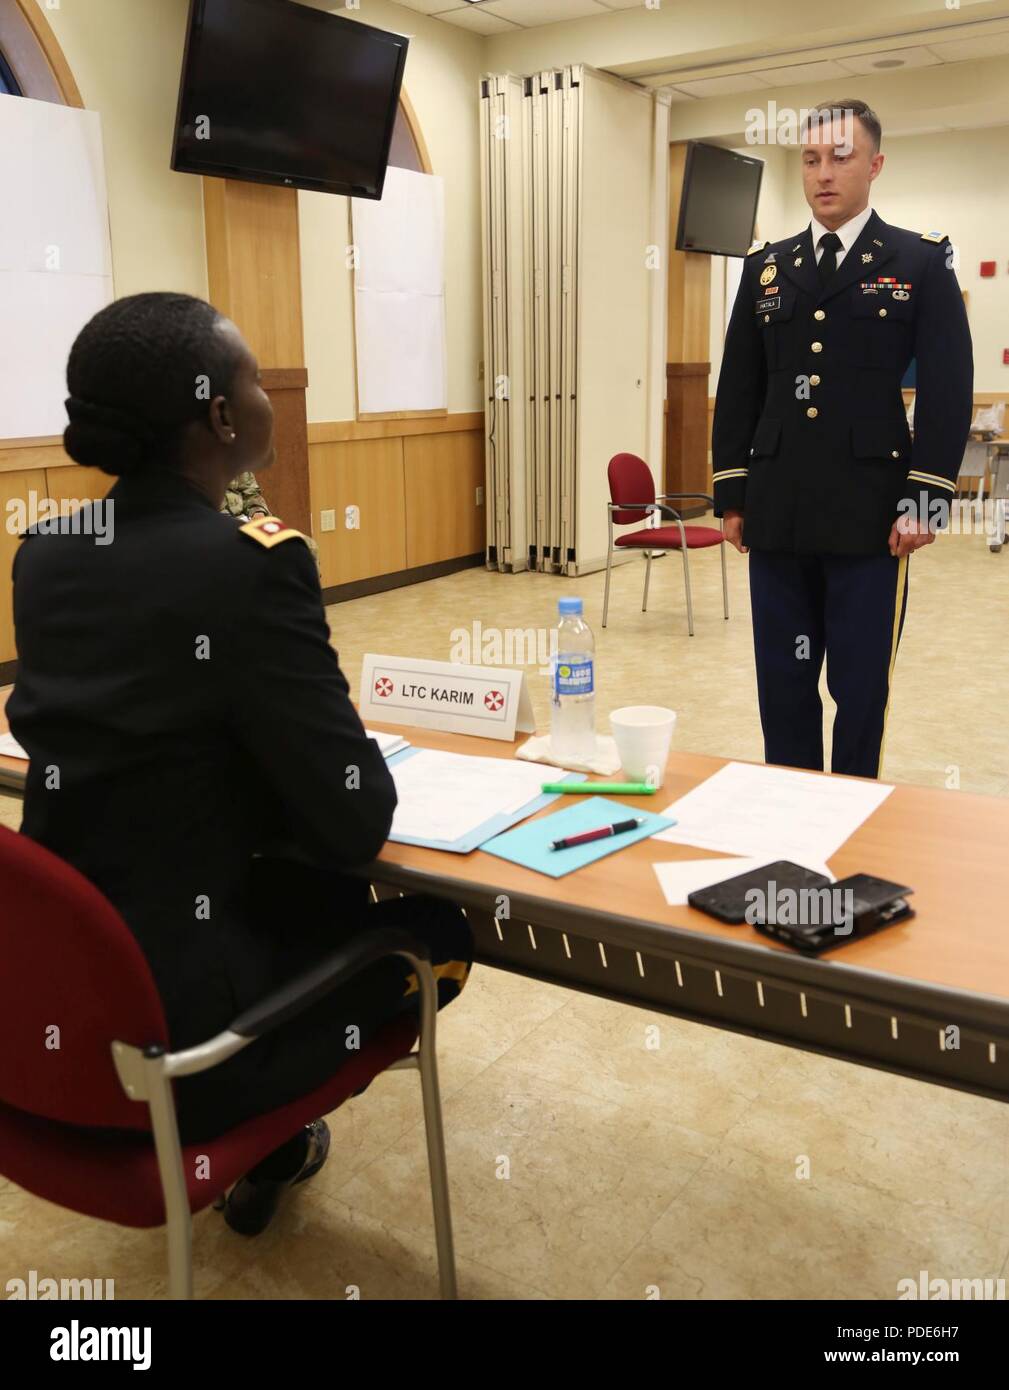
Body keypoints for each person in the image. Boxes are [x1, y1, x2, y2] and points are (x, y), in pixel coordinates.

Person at [8, 292, 472, 1235]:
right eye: (257, 379)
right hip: (185, 1047)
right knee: (438, 930)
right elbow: (353, 823)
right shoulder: (252, 564)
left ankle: (285, 1149)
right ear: (222, 414)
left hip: (48, 1008)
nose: (268, 395)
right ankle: (271, 1133)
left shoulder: (45, 553)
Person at [712, 99, 973, 779]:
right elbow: (739, 383)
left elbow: (947, 389)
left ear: (874, 165)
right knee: (783, 686)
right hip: (777, 514)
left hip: (870, 516)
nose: (822, 173)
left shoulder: (918, 262)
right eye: (809, 159)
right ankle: (790, 816)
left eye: (839, 157)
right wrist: (731, 494)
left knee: (859, 691)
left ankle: (852, 815)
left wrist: (927, 498)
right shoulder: (765, 267)